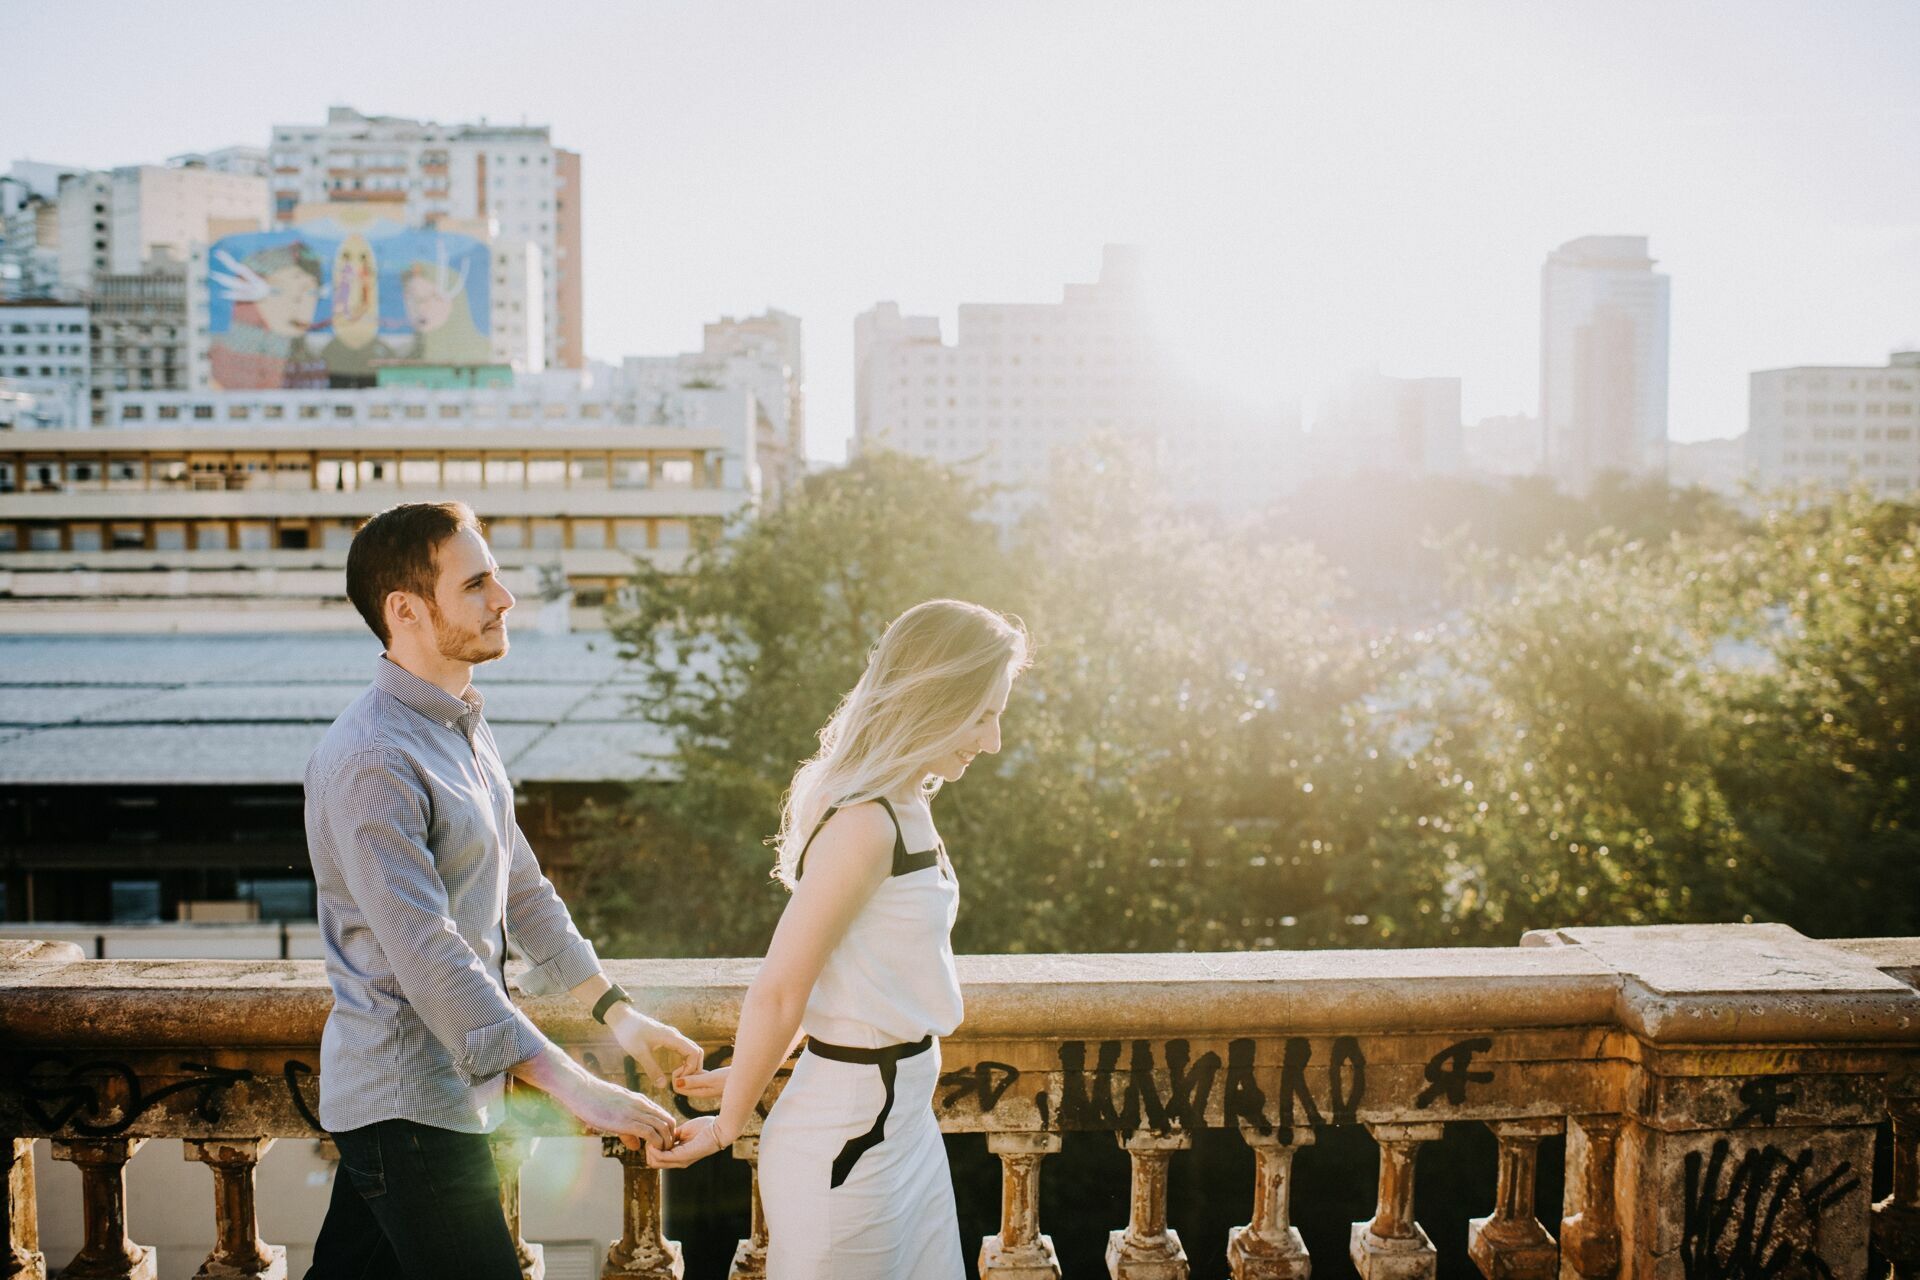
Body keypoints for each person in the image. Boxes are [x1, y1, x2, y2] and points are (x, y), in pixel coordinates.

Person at [304, 500, 701, 1279]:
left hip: (434, 1104)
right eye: (478, 582)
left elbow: (523, 892)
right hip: (408, 1104)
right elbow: (429, 955)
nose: (505, 598)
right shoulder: (372, 759)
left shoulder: (462, 727)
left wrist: (618, 1015)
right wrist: (584, 1089)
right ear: (407, 611)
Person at [652, 599, 1031, 1279]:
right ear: (929, 700)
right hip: (850, 1140)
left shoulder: (908, 803)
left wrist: (741, 1074)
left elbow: (847, 976)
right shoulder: (868, 823)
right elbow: (780, 990)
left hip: (900, 1123)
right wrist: (725, 1123)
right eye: (983, 714)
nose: (994, 739)